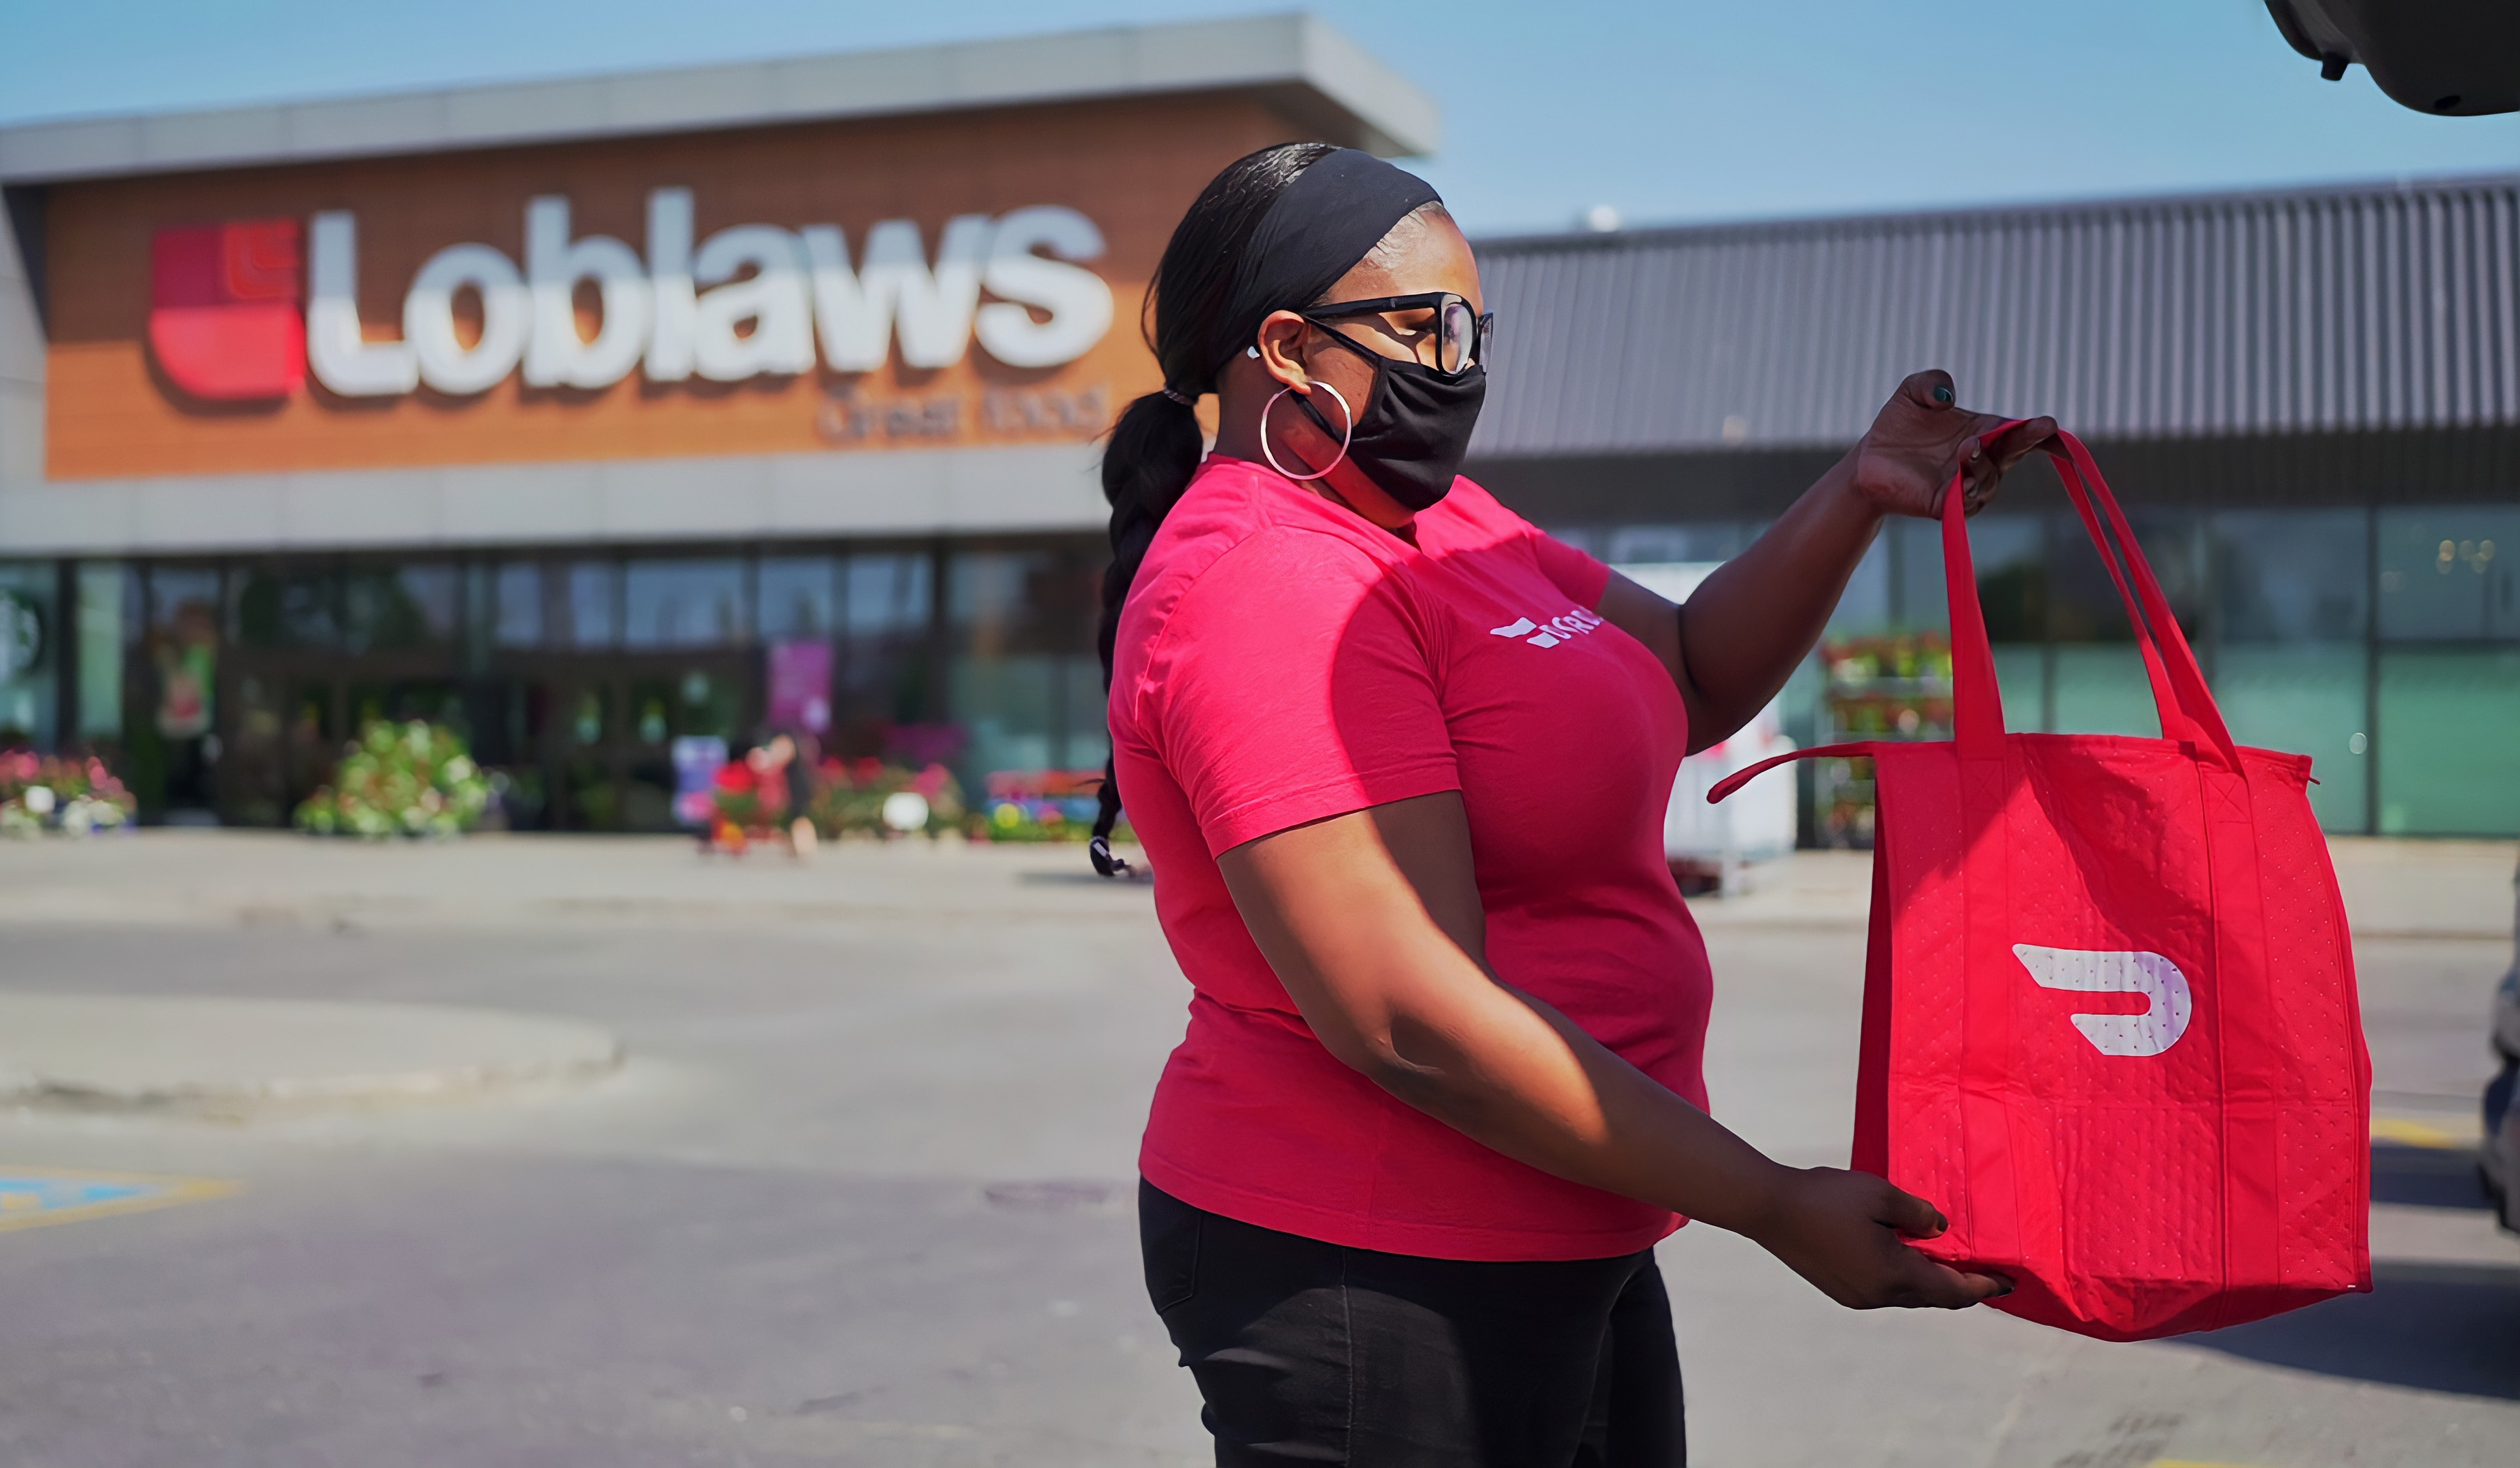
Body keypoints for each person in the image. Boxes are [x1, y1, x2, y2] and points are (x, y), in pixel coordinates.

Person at [1091, 142, 2054, 1467]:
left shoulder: (1446, 522)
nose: (1464, 358)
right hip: (1375, 1262)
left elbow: (1696, 674)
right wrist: (1769, 1202)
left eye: (1475, 323)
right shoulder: (1261, 585)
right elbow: (1407, 1012)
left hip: (1574, 1216)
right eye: (1425, 326)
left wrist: (1861, 491)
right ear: (1287, 347)